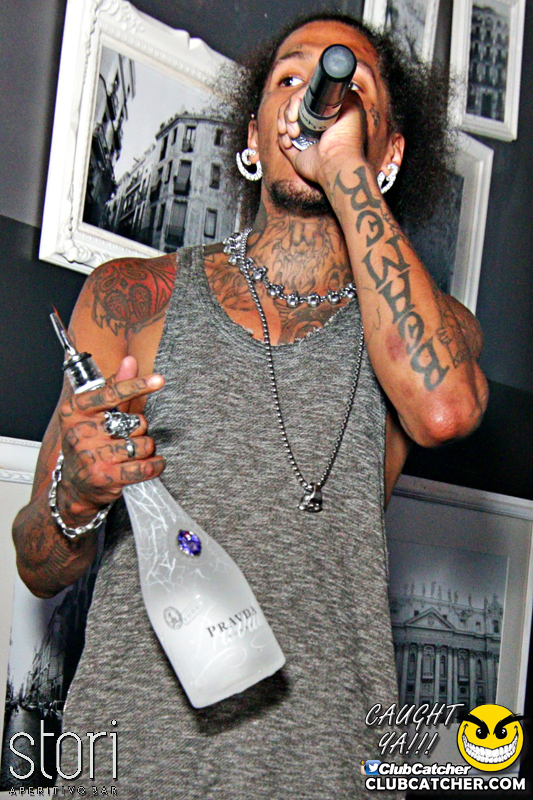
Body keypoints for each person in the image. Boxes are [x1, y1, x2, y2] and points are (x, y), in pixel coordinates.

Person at [12, 12, 488, 798]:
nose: (314, 98)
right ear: (252, 136)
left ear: (389, 155)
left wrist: (345, 173)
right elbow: (37, 564)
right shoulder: (134, 297)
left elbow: (443, 410)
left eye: (350, 91)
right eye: (288, 79)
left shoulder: (431, 327)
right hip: (135, 772)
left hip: (326, 772)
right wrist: (78, 498)